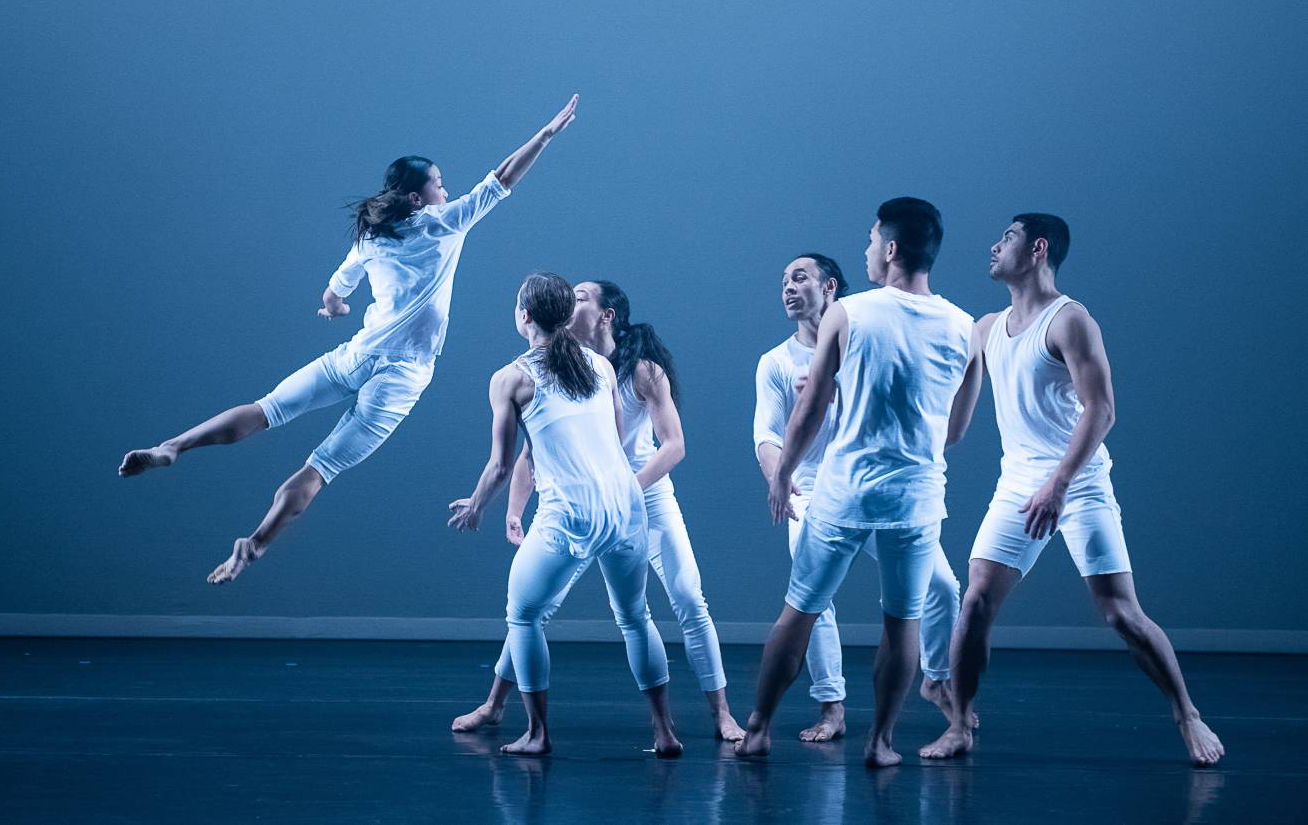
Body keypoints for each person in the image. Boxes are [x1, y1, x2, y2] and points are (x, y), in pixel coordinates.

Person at [118, 96, 580, 585]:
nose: (448, 189)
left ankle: (173, 446)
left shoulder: (371, 238)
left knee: (264, 410)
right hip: (402, 378)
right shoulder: (446, 224)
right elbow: (503, 177)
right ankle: (252, 547)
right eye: (440, 183)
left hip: (356, 356)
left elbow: (335, 290)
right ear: (420, 198)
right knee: (319, 469)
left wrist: (335, 307)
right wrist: (545, 135)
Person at [918, 214, 1224, 766]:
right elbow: (956, 423)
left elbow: (1102, 409)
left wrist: (1058, 484)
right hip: (1017, 485)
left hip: (1078, 482)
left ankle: (1187, 714)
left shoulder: (1070, 320)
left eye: (1006, 237)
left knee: (1119, 612)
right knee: (976, 600)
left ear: (1037, 250)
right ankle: (960, 723)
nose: (993, 245)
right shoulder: (986, 328)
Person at [737, 198, 979, 766]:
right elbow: (956, 431)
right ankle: (881, 743)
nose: (867, 249)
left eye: (872, 240)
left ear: (891, 249)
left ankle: (758, 727)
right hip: (916, 499)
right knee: (902, 622)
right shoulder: (967, 329)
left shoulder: (851, 313)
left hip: (843, 493)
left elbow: (812, 408)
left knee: (798, 611)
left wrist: (785, 474)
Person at [454, 280, 745, 741]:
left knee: (527, 613)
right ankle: (661, 731)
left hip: (611, 499)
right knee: (625, 616)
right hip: (619, 504)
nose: (576, 302)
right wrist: (518, 506)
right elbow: (556, 447)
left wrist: (477, 505)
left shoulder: (602, 372)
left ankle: (538, 732)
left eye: (584, 297)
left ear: (526, 316)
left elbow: (505, 460)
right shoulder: (596, 368)